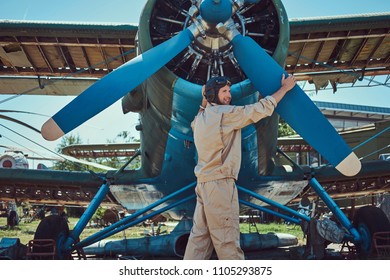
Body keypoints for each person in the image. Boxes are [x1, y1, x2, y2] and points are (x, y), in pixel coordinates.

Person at [183, 74, 296, 260]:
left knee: (199, 242)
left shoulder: (200, 119)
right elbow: (261, 108)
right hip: (220, 186)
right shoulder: (225, 114)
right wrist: (284, 89)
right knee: (227, 241)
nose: (229, 95)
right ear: (213, 95)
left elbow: (200, 113)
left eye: (229, 91)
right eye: (224, 92)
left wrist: (205, 98)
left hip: (203, 186)